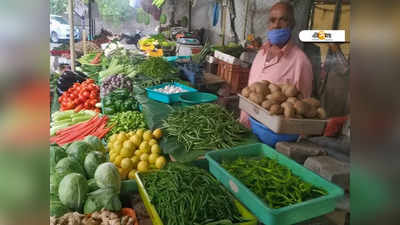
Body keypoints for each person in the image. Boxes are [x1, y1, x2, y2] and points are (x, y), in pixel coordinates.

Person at [239, 1, 313, 128]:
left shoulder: (301, 61)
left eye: (283, 20)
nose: (276, 25)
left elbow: (303, 111)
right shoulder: (260, 54)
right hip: (246, 127)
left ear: (292, 24)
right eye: (272, 20)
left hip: (272, 136)